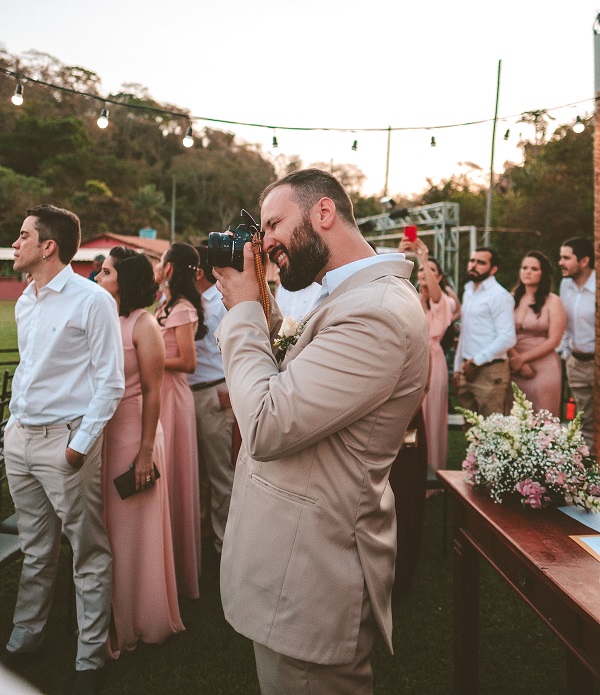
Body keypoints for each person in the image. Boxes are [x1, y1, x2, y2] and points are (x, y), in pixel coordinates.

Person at [213, 169, 429, 695]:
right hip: (294, 552)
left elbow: (264, 424)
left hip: (311, 573)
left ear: (324, 213)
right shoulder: (347, 297)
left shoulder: (375, 311)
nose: (264, 243)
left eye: (272, 224)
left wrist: (243, 310)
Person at [3, 205, 124, 695]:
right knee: (35, 547)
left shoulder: (91, 300)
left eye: (23, 235)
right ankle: (27, 634)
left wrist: (78, 447)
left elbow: (110, 383)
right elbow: (30, 371)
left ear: (47, 246)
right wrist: (11, 427)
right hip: (21, 440)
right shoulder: (25, 301)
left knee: (87, 551)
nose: (15, 243)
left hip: (65, 443)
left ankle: (90, 656)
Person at [96, 247, 184, 657]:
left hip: (136, 434)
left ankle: (140, 618)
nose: (99, 274)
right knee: (107, 530)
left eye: (106, 270)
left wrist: (146, 451)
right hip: (103, 435)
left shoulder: (143, 322)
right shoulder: (103, 318)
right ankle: (108, 612)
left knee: (133, 532)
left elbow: (153, 390)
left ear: (123, 280)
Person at [154, 242, 204, 599]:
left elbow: (188, 362)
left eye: (160, 260)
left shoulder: (184, 309)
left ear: (170, 268)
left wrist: (149, 360)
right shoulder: (164, 304)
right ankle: (160, 556)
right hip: (159, 395)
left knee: (174, 472)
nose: (157, 265)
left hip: (174, 397)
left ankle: (180, 567)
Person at [187, 242, 234, 555]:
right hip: (189, 395)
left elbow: (236, 346)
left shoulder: (219, 303)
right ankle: (202, 533)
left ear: (198, 272)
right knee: (197, 472)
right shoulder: (191, 302)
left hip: (214, 392)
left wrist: (231, 389)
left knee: (220, 474)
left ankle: (225, 545)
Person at [399, 237, 453, 481]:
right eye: (422, 271)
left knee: (432, 412)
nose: (424, 274)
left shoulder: (445, 303)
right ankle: (416, 467)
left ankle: (434, 473)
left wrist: (424, 258)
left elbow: (439, 299)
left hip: (434, 358)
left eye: (431, 272)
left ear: (439, 277)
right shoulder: (412, 298)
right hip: (413, 358)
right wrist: (403, 258)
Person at [453, 247, 516, 417]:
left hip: (490, 371)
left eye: (481, 262)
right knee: (470, 431)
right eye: (472, 261)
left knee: (491, 433)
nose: (474, 265)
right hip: (467, 369)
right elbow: (465, 332)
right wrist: (457, 367)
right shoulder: (468, 291)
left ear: (493, 269)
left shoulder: (499, 296)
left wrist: (476, 361)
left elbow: (508, 337)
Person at [507, 251, 566, 416]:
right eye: (524, 267)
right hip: (513, 365)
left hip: (543, 365)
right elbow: (502, 332)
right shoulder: (511, 298)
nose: (527, 272)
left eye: (534, 269)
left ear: (543, 273)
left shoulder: (553, 301)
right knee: (514, 417)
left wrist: (523, 360)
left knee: (543, 418)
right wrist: (516, 359)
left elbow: (554, 340)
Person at [559, 237, 596, 455]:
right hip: (576, 363)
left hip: (596, 363)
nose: (560, 262)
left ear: (584, 261)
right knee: (584, 421)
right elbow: (565, 323)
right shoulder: (566, 285)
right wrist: (566, 355)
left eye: (566, 257)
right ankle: (590, 479)